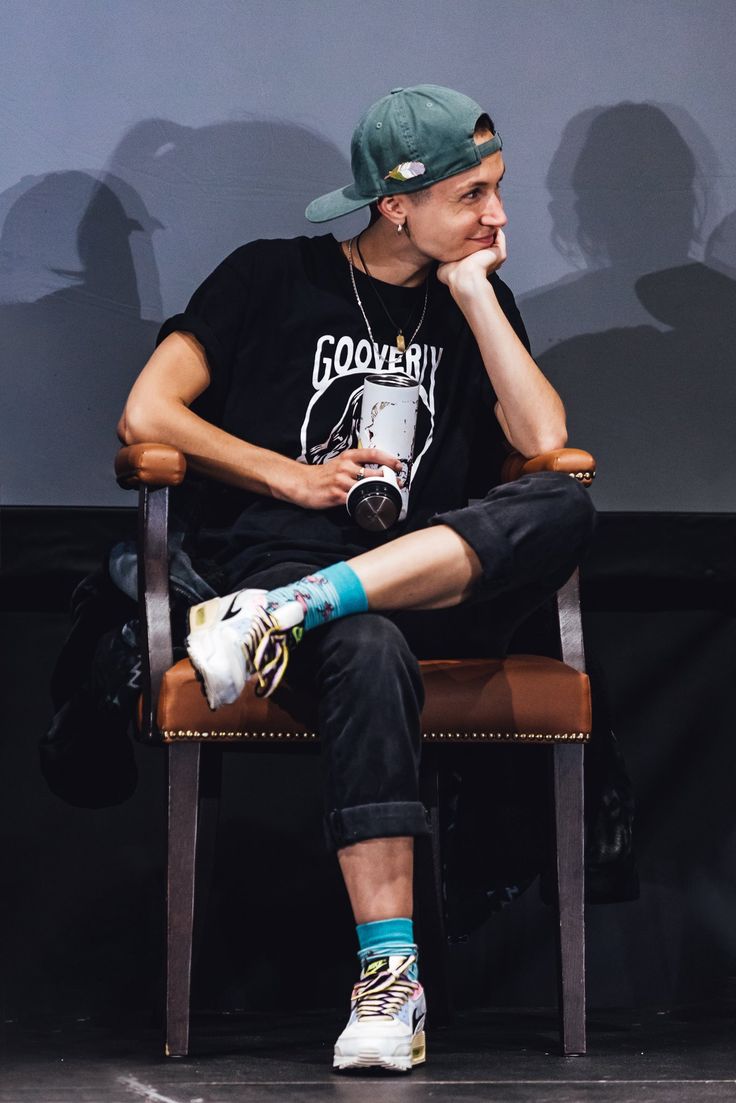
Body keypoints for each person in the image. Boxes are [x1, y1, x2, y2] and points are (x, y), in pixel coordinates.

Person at [119, 84, 595, 1073]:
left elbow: (543, 441)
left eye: (497, 190)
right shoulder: (269, 279)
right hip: (310, 590)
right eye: (472, 196)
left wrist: (471, 293)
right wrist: (287, 474)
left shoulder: (479, 300)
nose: (497, 217)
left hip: (420, 589)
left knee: (565, 501)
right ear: (394, 203)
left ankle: (286, 612)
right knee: (366, 648)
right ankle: (391, 980)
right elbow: (148, 412)